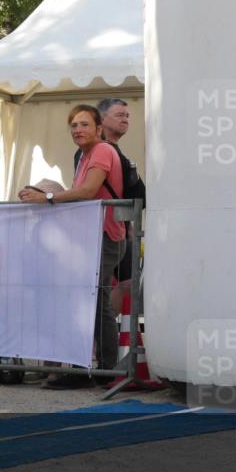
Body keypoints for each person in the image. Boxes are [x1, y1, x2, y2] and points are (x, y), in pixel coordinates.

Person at [19, 104, 126, 387]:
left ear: (98, 128)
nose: (78, 130)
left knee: (88, 300)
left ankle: (90, 369)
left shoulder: (102, 151)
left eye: (84, 124)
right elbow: (81, 196)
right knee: (95, 301)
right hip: (91, 237)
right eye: (74, 126)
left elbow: (88, 191)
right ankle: (101, 369)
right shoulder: (84, 155)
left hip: (106, 237)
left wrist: (48, 198)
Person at [90, 97, 144, 316]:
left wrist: (126, 223)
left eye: (128, 116)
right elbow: (89, 190)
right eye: (119, 115)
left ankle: (106, 330)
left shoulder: (114, 150)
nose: (126, 120)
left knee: (128, 282)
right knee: (99, 286)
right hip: (104, 229)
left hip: (119, 227)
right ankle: (99, 334)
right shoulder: (95, 150)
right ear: (102, 119)